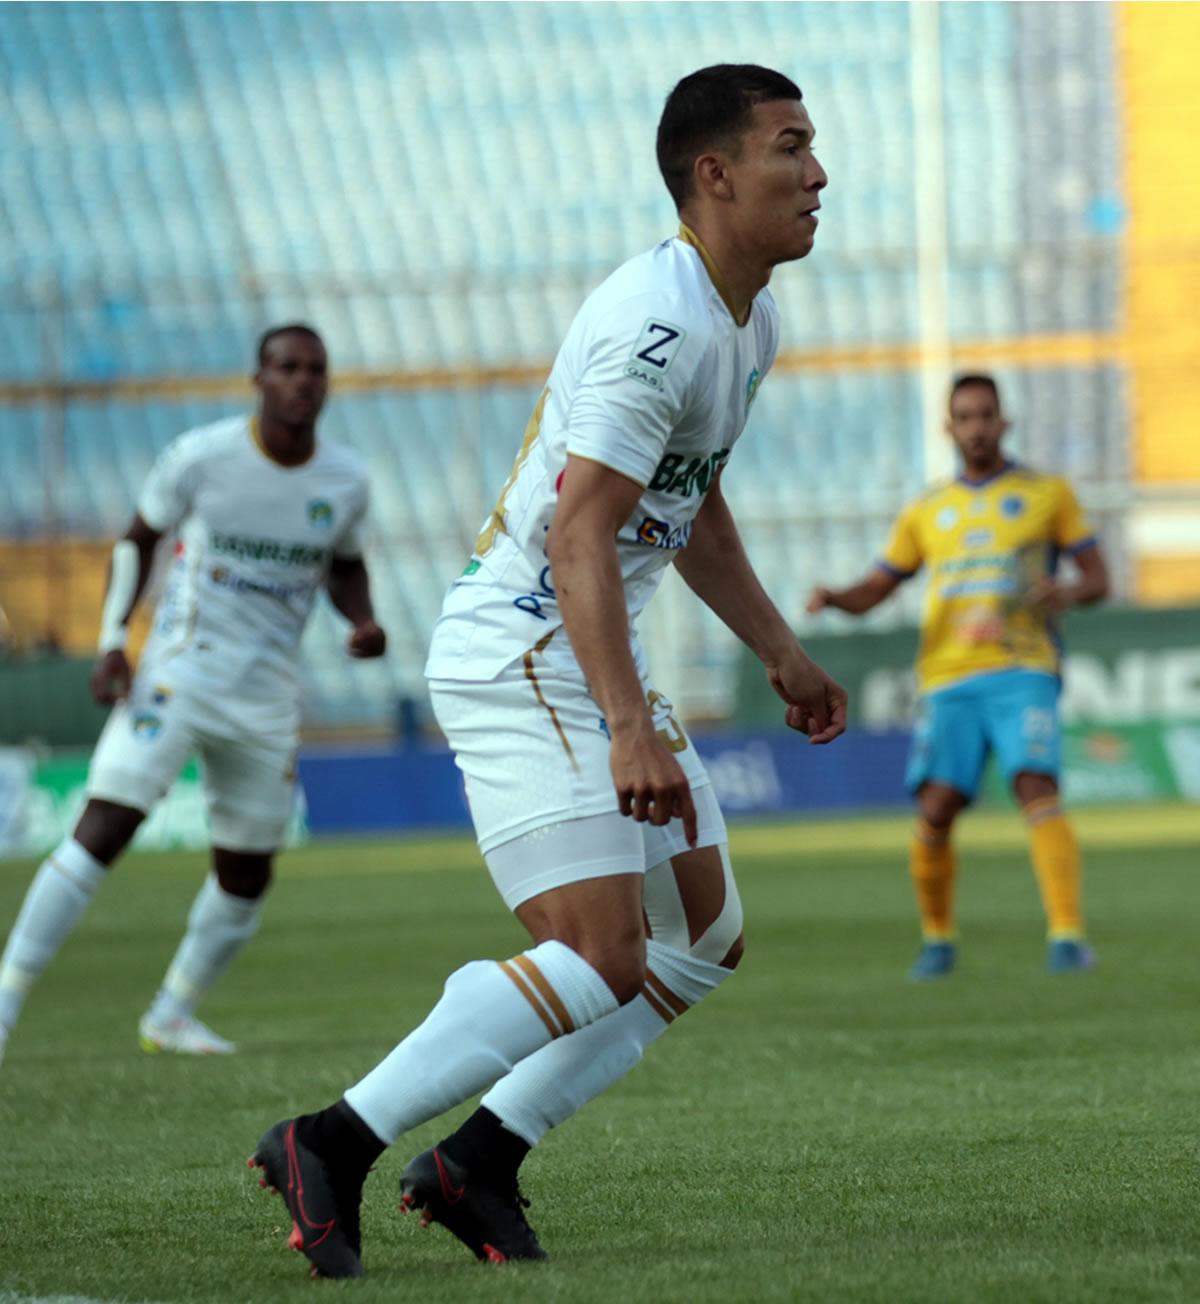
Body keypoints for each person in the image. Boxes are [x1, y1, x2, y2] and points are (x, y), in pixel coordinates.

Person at [249, 64, 844, 1279]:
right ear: (714, 173)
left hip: (587, 646)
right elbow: (579, 531)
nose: (820, 172)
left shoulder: (749, 315)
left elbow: (689, 502)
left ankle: (479, 1159)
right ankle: (331, 1137)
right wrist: (629, 723)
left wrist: (778, 649)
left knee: (700, 937)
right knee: (599, 950)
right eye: (792, 147)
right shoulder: (656, 322)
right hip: (529, 647)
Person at [0, 325, 386, 1066]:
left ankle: (171, 1014)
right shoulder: (203, 458)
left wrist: (363, 618)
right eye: (287, 368)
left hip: (267, 696)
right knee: (101, 830)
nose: (303, 381)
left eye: (315, 370)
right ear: (258, 379)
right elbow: (137, 539)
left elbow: (343, 564)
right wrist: (115, 638)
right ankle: (8, 1004)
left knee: (247, 873)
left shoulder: (346, 480)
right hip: (180, 674)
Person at [807, 373, 1109, 980]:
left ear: (1004, 422)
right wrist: (836, 597)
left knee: (1034, 784)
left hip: (1024, 667)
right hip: (947, 677)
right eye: (965, 417)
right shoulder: (927, 509)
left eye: (986, 415)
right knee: (938, 806)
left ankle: (1067, 936)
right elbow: (878, 585)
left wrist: (1068, 592)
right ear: (949, 428)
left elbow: (1100, 578)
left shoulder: (1047, 493)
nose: (976, 426)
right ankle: (938, 939)